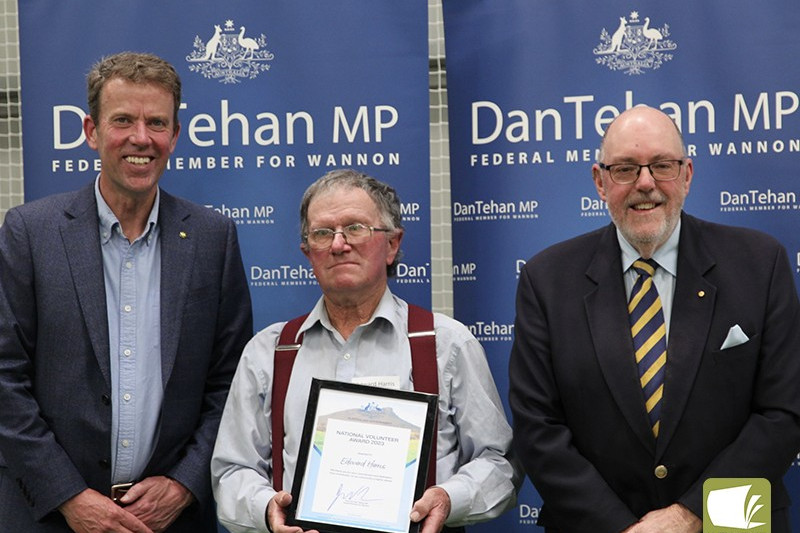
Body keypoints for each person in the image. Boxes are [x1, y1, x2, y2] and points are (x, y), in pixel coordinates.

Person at [509, 105, 800, 533]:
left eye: (662, 166)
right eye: (625, 169)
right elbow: (538, 428)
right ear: (600, 181)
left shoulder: (760, 263)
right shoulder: (546, 279)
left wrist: (690, 515)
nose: (646, 184)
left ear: (686, 174)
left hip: (732, 521)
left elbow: (783, 414)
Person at [0, 52, 253, 532]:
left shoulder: (212, 237)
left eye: (157, 122)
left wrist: (183, 484)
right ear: (91, 132)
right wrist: (70, 497)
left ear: (176, 135)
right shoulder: (29, 233)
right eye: (123, 121)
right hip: (50, 517)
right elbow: (4, 378)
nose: (142, 138)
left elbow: (232, 382)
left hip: (168, 522)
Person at [211, 168, 521, 533]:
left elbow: (498, 463)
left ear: (392, 244)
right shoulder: (269, 352)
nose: (339, 244)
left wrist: (450, 499)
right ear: (308, 252)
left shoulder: (448, 344)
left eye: (356, 228)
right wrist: (266, 509)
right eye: (322, 233)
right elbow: (231, 470)